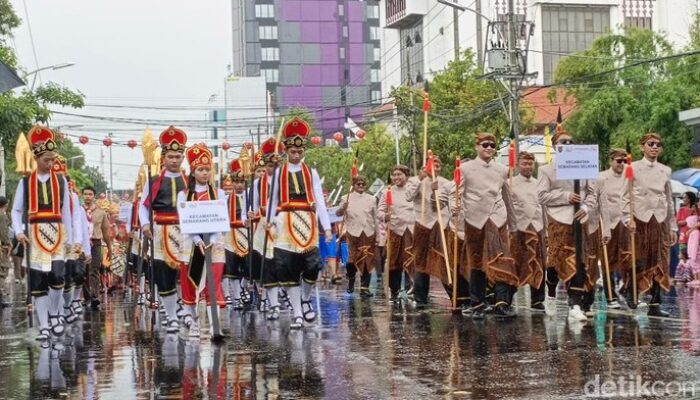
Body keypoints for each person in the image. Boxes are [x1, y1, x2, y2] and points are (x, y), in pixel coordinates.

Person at [266, 117, 332, 328]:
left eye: (299, 152)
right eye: (292, 152)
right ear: (286, 151)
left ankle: (305, 299)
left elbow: (319, 200)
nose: (296, 155)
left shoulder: (310, 172)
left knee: (312, 266)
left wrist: (328, 227)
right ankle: (296, 312)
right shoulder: (278, 173)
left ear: (303, 151)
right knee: (288, 267)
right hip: (285, 222)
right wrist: (269, 221)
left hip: (308, 222)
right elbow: (273, 200)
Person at [11, 125, 74, 341]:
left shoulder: (61, 181)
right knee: (38, 281)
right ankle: (44, 325)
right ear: (37, 158)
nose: (51, 163)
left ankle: (56, 314)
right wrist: (19, 231)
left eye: (53, 159)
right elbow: (17, 209)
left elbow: (66, 213)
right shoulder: (25, 182)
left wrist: (71, 240)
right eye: (47, 159)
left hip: (57, 233)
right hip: (35, 234)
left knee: (57, 276)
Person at [537, 127, 596, 321]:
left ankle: (575, 304)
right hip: (558, 220)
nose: (568, 145)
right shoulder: (546, 170)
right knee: (555, 262)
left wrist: (586, 207)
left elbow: (592, 193)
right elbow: (542, 195)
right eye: (563, 142)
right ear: (555, 146)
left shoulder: (584, 164)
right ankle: (551, 288)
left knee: (579, 260)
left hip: (579, 219)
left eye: (571, 142)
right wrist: (566, 196)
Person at [460, 133, 517, 319]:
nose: (489, 148)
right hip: (474, 219)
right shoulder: (465, 168)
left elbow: (508, 198)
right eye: (485, 145)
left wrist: (513, 225)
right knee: (476, 261)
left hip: (497, 218)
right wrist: (457, 212)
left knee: (501, 259)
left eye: (492, 145)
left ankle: (501, 303)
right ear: (477, 146)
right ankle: (477, 303)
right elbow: (456, 193)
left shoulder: (502, 170)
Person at [139, 126, 188, 333]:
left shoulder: (190, 181)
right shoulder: (154, 181)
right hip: (161, 232)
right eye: (170, 156)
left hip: (185, 233)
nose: (174, 160)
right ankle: (170, 314)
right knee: (164, 275)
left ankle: (183, 310)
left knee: (185, 274)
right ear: (164, 157)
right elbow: (143, 205)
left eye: (178, 156)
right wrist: (145, 224)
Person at [623, 133, 677, 316]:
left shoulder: (665, 170)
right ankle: (631, 290)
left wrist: (673, 226)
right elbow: (625, 195)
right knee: (639, 258)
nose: (654, 147)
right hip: (640, 218)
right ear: (642, 147)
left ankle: (655, 303)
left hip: (660, 219)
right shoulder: (631, 167)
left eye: (658, 144)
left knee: (660, 260)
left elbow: (669, 200)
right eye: (650, 144)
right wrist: (627, 218)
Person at [177, 143, 227, 337]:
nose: (204, 173)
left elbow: (221, 220)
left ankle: (215, 325)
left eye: (207, 169)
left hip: (214, 244)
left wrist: (213, 238)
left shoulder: (219, 193)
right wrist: (199, 240)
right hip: (192, 243)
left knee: (212, 282)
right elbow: (187, 222)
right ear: (193, 171)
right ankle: (194, 322)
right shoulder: (184, 195)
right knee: (192, 281)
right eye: (200, 169)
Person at [406, 154, 459, 307]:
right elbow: (408, 197)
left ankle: (455, 297)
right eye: (432, 163)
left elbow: (440, 205)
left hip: (441, 226)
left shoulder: (447, 184)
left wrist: (435, 194)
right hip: (422, 225)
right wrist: (420, 179)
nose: (435, 166)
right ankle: (420, 298)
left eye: (438, 164)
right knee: (421, 263)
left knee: (444, 262)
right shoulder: (415, 181)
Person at [510, 152, 546, 312]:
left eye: (530, 164)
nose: (528, 167)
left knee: (539, 262)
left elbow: (544, 207)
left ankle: (538, 299)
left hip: (537, 227)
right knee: (516, 262)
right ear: (518, 164)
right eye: (524, 163)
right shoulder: (510, 183)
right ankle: (506, 298)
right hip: (518, 228)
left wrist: (546, 230)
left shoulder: (539, 183)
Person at [251, 137, 284, 313]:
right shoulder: (257, 183)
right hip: (264, 226)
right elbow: (255, 207)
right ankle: (271, 301)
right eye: (270, 166)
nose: (273, 169)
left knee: (283, 264)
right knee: (266, 264)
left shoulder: (285, 180)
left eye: (276, 166)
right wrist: (249, 215)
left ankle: (284, 297)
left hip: (282, 224)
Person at [377, 165, 415, 303]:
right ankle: (395, 289)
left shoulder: (413, 190)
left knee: (411, 258)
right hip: (395, 229)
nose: (396, 177)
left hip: (412, 229)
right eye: (394, 175)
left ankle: (413, 287)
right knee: (394, 261)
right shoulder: (387, 192)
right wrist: (384, 216)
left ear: (406, 175)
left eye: (400, 174)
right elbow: (379, 211)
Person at [598, 149, 631, 309]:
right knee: (607, 261)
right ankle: (610, 296)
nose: (622, 164)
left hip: (626, 223)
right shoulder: (602, 177)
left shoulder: (630, 176)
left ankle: (628, 290)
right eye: (619, 161)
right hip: (609, 224)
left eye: (625, 161)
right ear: (611, 160)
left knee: (630, 258)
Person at [336, 175, 378, 298]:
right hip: (352, 232)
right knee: (351, 261)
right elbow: (338, 214)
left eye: (363, 184)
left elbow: (375, 217)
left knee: (367, 259)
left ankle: (365, 288)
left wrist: (379, 234)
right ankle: (351, 280)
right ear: (353, 185)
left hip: (368, 232)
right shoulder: (346, 198)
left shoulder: (372, 199)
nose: (360, 186)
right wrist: (343, 208)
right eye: (358, 184)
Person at [223, 159, 249, 310]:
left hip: (247, 235)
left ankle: (244, 286)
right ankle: (238, 297)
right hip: (230, 236)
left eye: (242, 181)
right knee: (232, 270)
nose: (239, 185)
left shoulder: (250, 197)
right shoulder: (225, 199)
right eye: (236, 181)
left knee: (249, 266)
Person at [81, 185, 112, 310]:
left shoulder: (101, 212)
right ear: (82, 196)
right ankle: (87, 296)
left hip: (96, 242)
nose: (88, 196)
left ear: (94, 196)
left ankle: (94, 296)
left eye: (90, 194)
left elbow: (105, 231)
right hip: (82, 243)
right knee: (83, 271)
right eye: (85, 194)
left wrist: (109, 248)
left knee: (95, 269)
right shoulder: (79, 211)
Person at [677, 191, 697, 259]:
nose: (683, 199)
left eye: (685, 197)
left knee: (693, 258)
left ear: (690, 199)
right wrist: (687, 220)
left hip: (695, 238)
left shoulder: (697, 210)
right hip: (684, 238)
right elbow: (678, 223)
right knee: (683, 258)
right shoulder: (681, 210)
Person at [0, 196, 12, 308]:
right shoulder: (2, 216)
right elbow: (3, 232)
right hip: (1, 248)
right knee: (2, 272)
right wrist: (8, 243)